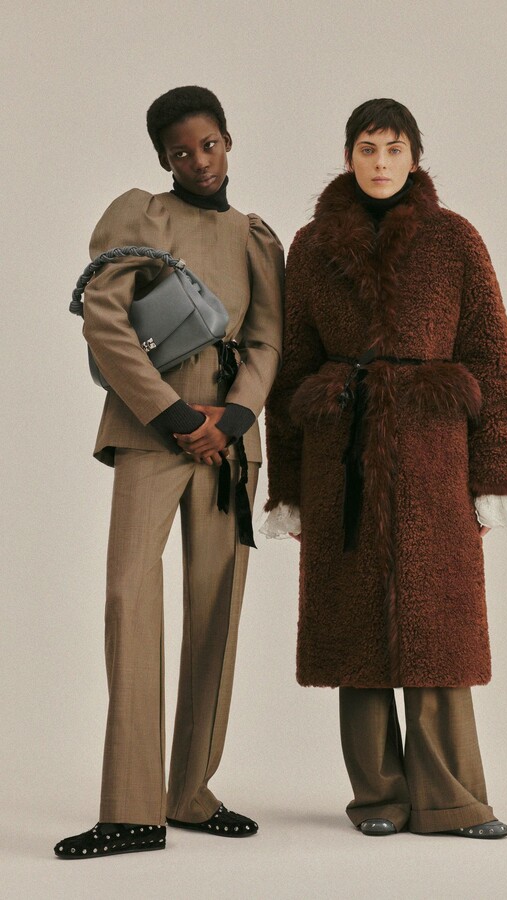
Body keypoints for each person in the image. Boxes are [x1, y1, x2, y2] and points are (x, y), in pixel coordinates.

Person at [262, 98, 507, 838]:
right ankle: (378, 796)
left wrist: (495, 479)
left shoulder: (455, 239)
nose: (380, 162)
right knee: (356, 631)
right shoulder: (312, 246)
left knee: (437, 626)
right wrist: (289, 490)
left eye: (393, 148)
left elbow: (493, 361)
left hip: (432, 456)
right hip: (340, 456)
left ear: (415, 157)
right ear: (348, 156)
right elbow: (290, 370)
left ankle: (452, 799)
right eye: (367, 148)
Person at [55, 86, 283, 858]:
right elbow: (104, 319)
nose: (199, 161)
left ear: (229, 140)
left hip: (230, 445)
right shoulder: (141, 216)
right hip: (155, 433)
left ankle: (190, 792)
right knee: (129, 596)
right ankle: (130, 809)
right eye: (181, 151)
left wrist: (236, 418)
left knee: (217, 611)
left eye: (209, 144)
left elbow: (267, 339)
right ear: (163, 159)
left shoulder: (254, 237)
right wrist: (176, 416)